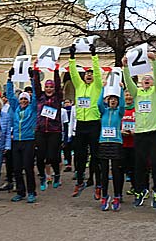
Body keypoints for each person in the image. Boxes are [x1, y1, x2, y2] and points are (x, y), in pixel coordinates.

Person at [122, 51, 156, 209]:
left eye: (149, 79)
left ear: (152, 83)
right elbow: (128, 83)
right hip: (140, 133)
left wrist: (154, 61)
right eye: (144, 79)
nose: (146, 80)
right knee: (139, 164)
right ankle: (141, 190)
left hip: (154, 133)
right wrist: (125, 66)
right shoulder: (137, 93)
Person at [69, 43, 103, 198]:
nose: (88, 75)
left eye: (90, 73)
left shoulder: (97, 87)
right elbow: (73, 72)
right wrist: (71, 57)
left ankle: (98, 184)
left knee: (96, 156)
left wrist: (94, 55)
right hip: (81, 125)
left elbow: (97, 72)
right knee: (80, 156)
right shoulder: (79, 86)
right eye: (86, 73)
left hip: (94, 124)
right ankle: (80, 181)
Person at [7, 67, 38, 203]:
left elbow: (36, 95)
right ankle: (20, 192)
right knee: (17, 168)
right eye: (22, 99)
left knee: (28, 167)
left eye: (26, 99)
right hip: (16, 141)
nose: (23, 101)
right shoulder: (15, 108)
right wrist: (9, 79)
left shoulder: (32, 108)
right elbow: (9, 95)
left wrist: (32, 79)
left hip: (28, 140)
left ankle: (31, 192)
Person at [33, 60, 64, 191]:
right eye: (47, 87)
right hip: (40, 130)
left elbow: (58, 84)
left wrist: (56, 70)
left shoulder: (57, 97)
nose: (49, 89)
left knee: (52, 156)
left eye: (51, 87)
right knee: (40, 157)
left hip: (54, 130)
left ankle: (56, 175)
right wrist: (35, 70)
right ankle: (42, 177)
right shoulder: (40, 96)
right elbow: (36, 85)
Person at [97, 85, 126, 211]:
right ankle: (104, 196)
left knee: (116, 171)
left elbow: (124, 104)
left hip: (116, 143)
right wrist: (103, 89)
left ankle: (117, 196)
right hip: (103, 143)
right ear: (107, 101)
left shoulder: (119, 112)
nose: (113, 101)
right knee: (104, 172)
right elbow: (98, 103)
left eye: (115, 99)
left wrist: (121, 90)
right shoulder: (104, 111)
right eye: (111, 99)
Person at [121, 90, 136, 196]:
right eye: (126, 95)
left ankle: (139, 188)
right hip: (123, 143)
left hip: (135, 144)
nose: (128, 97)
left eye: (130, 95)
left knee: (136, 168)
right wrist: (120, 131)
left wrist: (136, 132)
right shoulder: (120, 110)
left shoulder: (137, 109)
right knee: (125, 168)